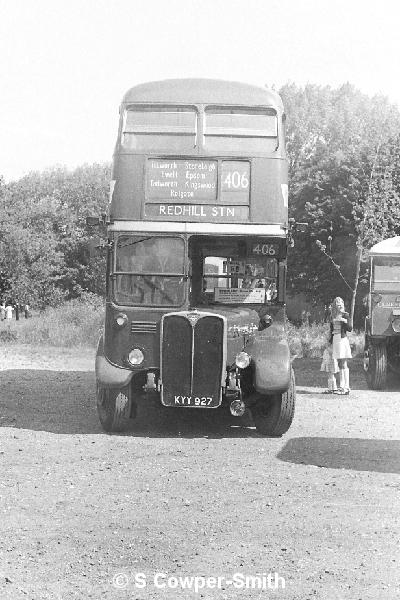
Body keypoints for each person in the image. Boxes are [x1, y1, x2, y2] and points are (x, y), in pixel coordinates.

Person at [329, 296, 352, 395]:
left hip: (342, 340)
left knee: (343, 363)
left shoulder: (345, 315)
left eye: (341, 303)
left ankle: (345, 387)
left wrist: (344, 320)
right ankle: (341, 387)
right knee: (338, 363)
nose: (339, 305)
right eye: (337, 304)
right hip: (335, 339)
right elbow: (331, 330)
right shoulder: (332, 316)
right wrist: (329, 342)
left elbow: (350, 328)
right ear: (335, 305)